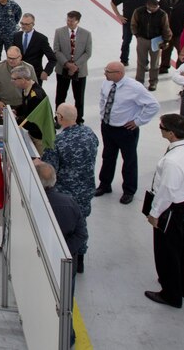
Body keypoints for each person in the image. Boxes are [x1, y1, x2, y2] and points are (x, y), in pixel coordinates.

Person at [143, 113, 184, 309]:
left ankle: (170, 294)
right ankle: (183, 286)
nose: (159, 129)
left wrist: (154, 213)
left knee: (165, 251)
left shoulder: (172, 161)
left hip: (169, 208)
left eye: (161, 127)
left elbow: (167, 191)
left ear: (170, 133)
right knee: (179, 247)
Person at [95, 61, 161, 204]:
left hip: (125, 130)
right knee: (108, 156)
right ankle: (105, 184)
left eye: (108, 71)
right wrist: (103, 116)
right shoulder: (107, 83)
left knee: (129, 160)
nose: (105, 74)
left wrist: (138, 121)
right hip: (108, 126)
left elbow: (153, 105)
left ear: (119, 73)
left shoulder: (135, 88)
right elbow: (103, 99)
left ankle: (129, 190)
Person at [36, 160, 87, 346]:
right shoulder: (69, 203)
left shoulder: (34, 203)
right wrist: (64, 251)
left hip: (41, 260)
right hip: (67, 263)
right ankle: (68, 336)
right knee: (66, 302)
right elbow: (82, 234)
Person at [50, 103, 99, 273]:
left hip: (66, 192)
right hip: (86, 189)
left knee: (65, 227)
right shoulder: (90, 134)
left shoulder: (59, 141)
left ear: (60, 118)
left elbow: (50, 170)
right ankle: (80, 259)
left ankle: (66, 258)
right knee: (81, 223)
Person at [52, 10, 92, 123]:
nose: (69, 22)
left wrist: (75, 65)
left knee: (79, 97)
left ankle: (79, 119)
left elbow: (88, 53)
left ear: (77, 21)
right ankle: (58, 117)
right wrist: (67, 64)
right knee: (60, 95)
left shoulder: (86, 34)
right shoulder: (59, 32)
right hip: (62, 69)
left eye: (72, 21)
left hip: (80, 70)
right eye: (68, 20)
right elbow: (56, 50)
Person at [0, 46, 37, 124]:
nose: (11, 61)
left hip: (22, 106)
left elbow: (34, 87)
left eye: (14, 58)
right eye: (9, 58)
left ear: (20, 57)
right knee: (2, 130)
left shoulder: (29, 68)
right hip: (3, 105)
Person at [110, 0, 154, 66]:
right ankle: (124, 60)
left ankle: (144, 62)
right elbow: (113, 2)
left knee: (142, 44)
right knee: (126, 42)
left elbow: (154, 6)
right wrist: (119, 16)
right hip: (128, 23)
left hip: (141, 24)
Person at [131, 0, 172, 91]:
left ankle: (153, 82)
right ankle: (139, 81)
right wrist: (137, 35)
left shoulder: (162, 14)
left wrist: (166, 40)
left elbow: (166, 28)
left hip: (156, 41)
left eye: (156, 8)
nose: (154, 10)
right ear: (147, 6)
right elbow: (133, 24)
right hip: (142, 39)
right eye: (152, 8)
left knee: (155, 64)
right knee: (141, 62)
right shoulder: (138, 11)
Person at [11, 66, 55, 150]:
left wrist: (16, 119)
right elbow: (26, 106)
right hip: (32, 133)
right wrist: (16, 111)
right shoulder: (27, 88)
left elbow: (33, 122)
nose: (12, 82)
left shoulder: (35, 96)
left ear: (23, 79)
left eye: (14, 79)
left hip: (40, 137)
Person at [11, 13, 56, 82]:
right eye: (22, 23)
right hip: (18, 75)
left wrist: (46, 72)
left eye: (26, 24)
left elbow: (52, 59)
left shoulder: (41, 39)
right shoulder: (16, 36)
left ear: (33, 24)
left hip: (35, 75)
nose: (23, 26)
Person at [158, 0, 184, 74]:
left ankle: (179, 69)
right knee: (165, 50)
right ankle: (164, 67)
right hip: (166, 32)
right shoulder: (163, 1)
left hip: (179, 33)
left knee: (181, 51)